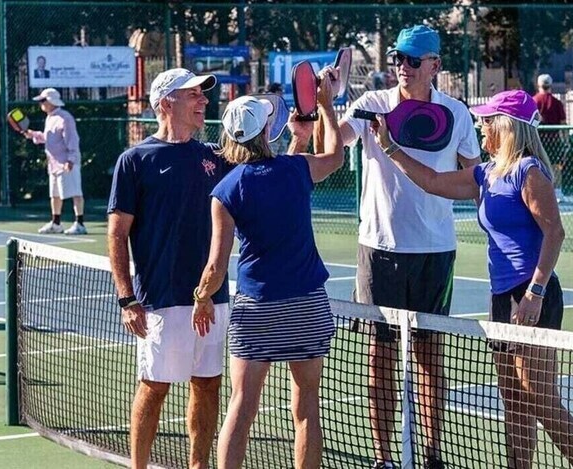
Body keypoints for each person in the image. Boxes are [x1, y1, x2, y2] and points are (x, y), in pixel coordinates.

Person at [379, 89, 573, 469]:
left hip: (532, 295)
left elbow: (555, 232)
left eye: (487, 120)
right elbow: (432, 180)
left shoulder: (528, 172)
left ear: (505, 126)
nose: (481, 126)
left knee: (540, 399)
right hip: (501, 298)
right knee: (514, 401)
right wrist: (390, 148)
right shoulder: (485, 174)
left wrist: (535, 292)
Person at [331, 25, 482, 469]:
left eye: (414, 60)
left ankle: (431, 455)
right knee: (379, 356)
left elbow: (475, 176)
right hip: (379, 248)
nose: (403, 66)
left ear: (435, 65)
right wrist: (321, 105)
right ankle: (384, 459)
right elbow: (334, 145)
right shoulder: (372, 104)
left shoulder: (456, 114)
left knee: (430, 356)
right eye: (398, 58)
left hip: (436, 251)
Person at [193, 69, 342, 469]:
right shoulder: (296, 169)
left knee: (241, 406)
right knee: (306, 405)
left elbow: (215, 266)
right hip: (306, 305)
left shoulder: (226, 191)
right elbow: (336, 157)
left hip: (256, 310)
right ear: (265, 131)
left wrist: (202, 298)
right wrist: (326, 107)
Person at [106, 68, 232, 469]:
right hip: (160, 300)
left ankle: (199, 465)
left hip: (212, 299)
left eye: (202, 94)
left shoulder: (215, 156)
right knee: (154, 387)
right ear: (165, 104)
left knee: (207, 385)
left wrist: (300, 135)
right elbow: (117, 235)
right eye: (193, 94)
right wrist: (127, 298)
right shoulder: (135, 160)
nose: (203, 100)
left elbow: (265, 167)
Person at [24, 88, 87, 235]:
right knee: (55, 195)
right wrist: (33, 135)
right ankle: (56, 223)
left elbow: (72, 140)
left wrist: (70, 160)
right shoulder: (50, 118)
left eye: (43, 100)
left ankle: (80, 223)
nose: (40, 103)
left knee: (75, 193)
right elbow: (49, 138)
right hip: (54, 164)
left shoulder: (65, 118)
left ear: (51, 102)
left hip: (67, 163)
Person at [533, 74, 568, 203]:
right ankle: (557, 192)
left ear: (538, 85)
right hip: (554, 140)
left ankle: (538, 191)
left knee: (536, 165)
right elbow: (563, 123)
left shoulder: (533, 101)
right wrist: (566, 140)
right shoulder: (557, 103)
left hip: (537, 141)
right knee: (555, 166)